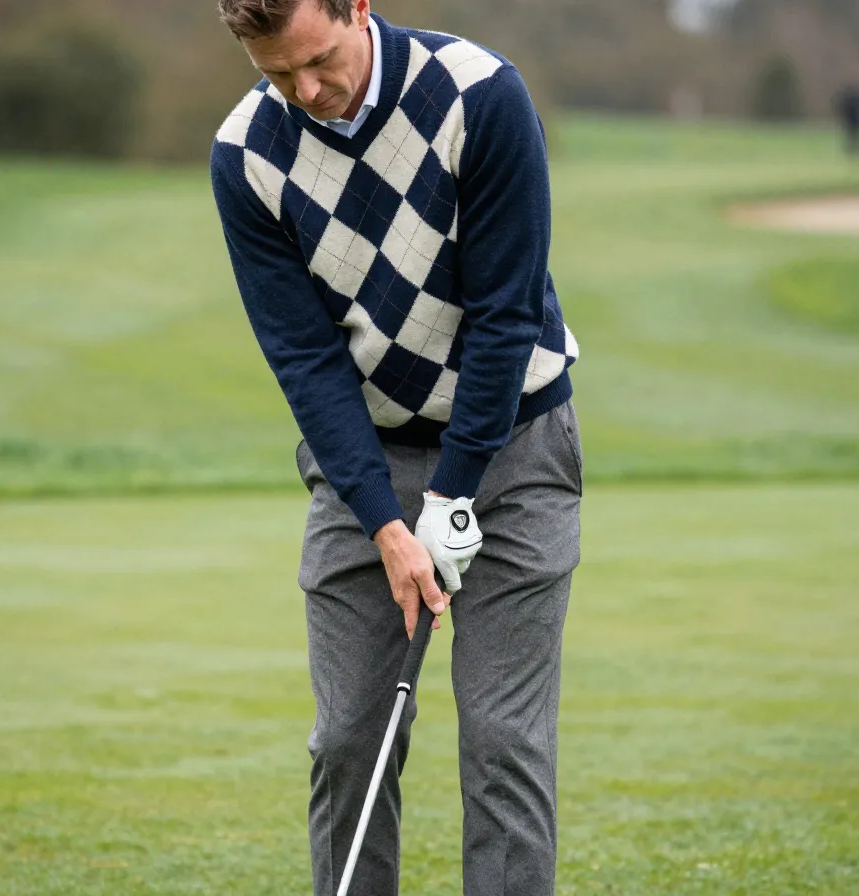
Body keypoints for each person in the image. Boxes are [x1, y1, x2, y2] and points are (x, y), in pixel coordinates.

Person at [210, 1, 581, 892]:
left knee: (503, 741)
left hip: (515, 447)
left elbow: (504, 317)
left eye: (319, 60)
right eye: (275, 74)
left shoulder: (478, 95)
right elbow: (304, 359)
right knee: (349, 739)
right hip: (361, 462)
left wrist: (453, 495)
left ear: (359, 7)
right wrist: (385, 521)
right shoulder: (246, 154)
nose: (307, 92)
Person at [836, 84, 859, 159]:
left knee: (853, 135)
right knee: (855, 135)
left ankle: (854, 148)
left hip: (853, 120)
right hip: (855, 120)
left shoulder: (849, 100)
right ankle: (855, 148)